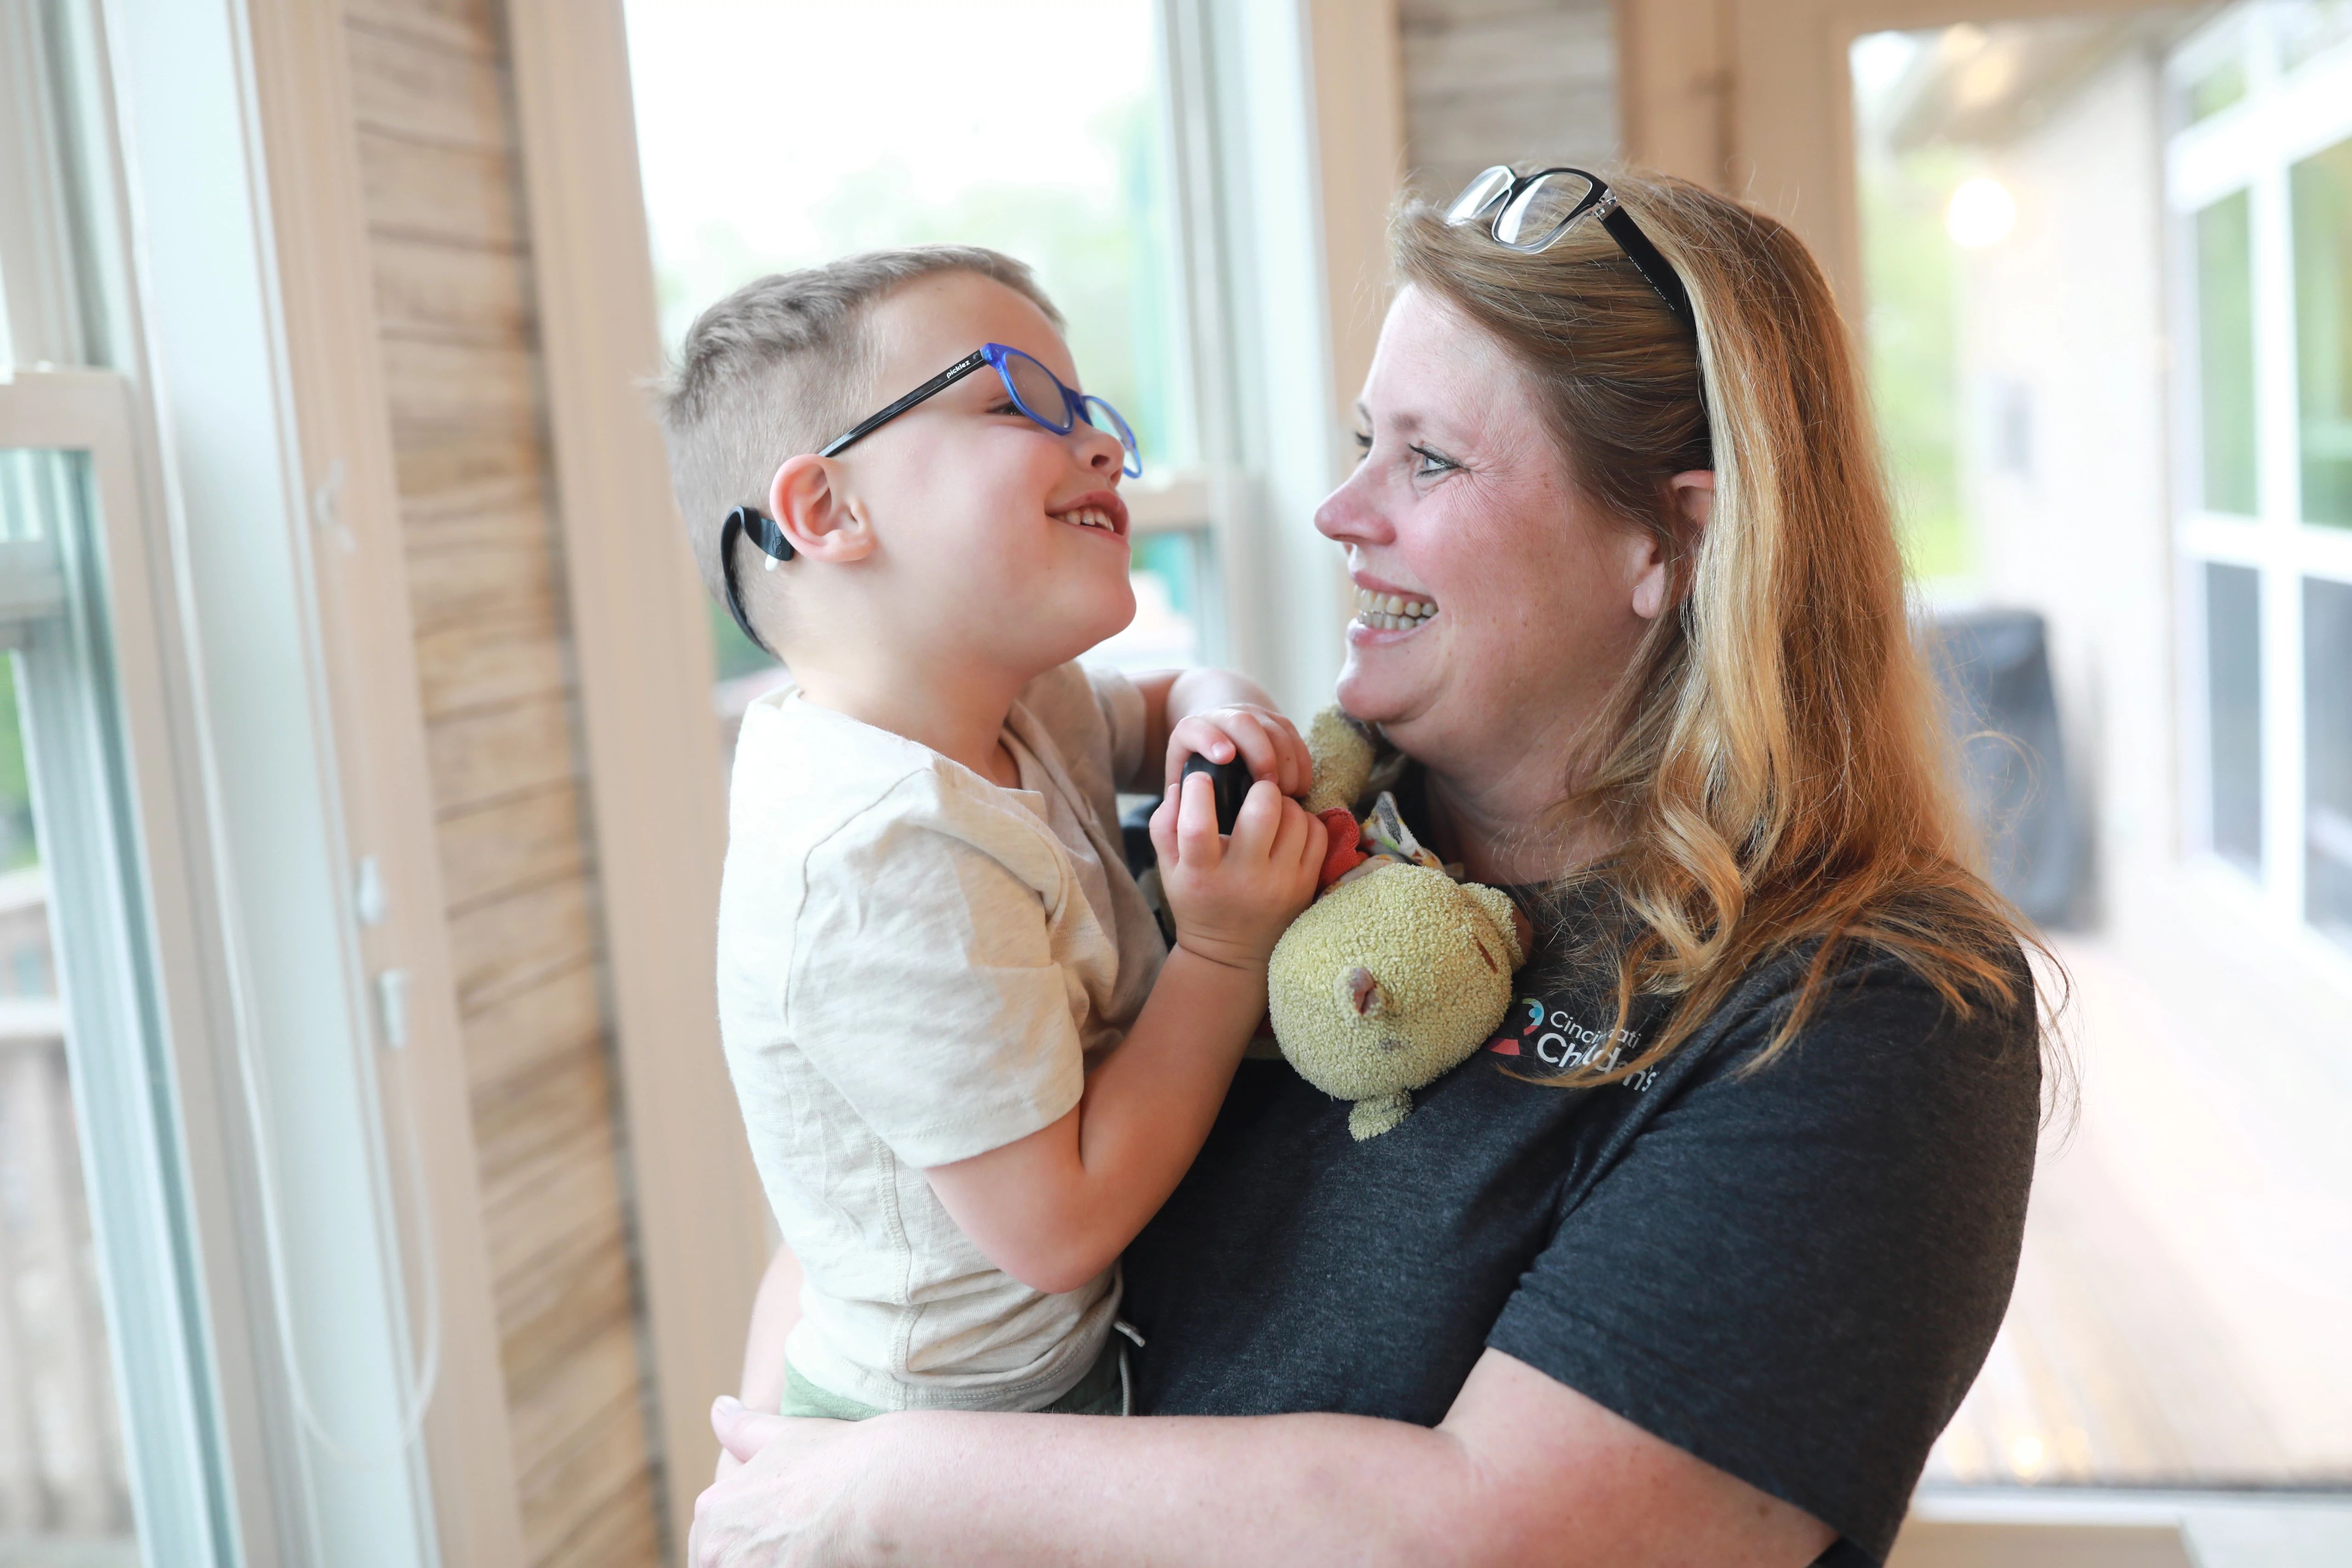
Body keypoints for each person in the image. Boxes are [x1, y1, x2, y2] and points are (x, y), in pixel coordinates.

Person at [691, 170, 2051, 1567]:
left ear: (1674, 541)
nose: (1342, 511)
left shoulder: (1869, 1008)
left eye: (1430, 459)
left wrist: (891, 1487)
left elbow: (1510, 1538)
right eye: (1361, 442)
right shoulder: (1264, 825)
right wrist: (803, 1469)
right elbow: (892, 1189)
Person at [654, 246, 1327, 1421]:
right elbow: (1054, 1227)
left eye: (1093, 413)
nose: (1107, 447)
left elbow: (1164, 700)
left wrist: (1221, 712)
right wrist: (1225, 952)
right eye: (1019, 399)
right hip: (937, 1430)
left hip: (1067, 1363)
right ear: (828, 510)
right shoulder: (880, 857)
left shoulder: (1013, 697)